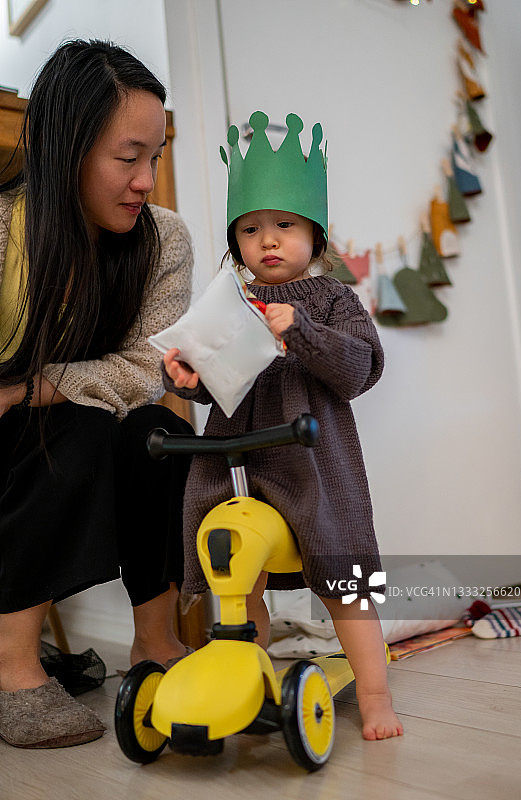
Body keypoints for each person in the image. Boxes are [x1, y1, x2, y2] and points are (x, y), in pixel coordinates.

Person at [162, 111, 404, 740]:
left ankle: (375, 694)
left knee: (343, 584)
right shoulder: (228, 299)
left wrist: (301, 330)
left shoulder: (330, 300)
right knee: (238, 584)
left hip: (313, 466)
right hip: (236, 465)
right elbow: (203, 365)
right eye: (250, 229)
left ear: (314, 238)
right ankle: (250, 681)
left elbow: (360, 367)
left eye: (285, 226)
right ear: (235, 241)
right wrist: (181, 374)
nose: (267, 240)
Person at [0, 40, 195, 749]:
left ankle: (155, 642)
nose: (146, 179)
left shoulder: (163, 239)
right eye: (127, 156)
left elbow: (149, 361)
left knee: (153, 432)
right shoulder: (3, 231)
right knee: (74, 430)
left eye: (157, 155)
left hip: (58, 415)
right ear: (66, 148)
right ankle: (12, 666)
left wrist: (39, 387)